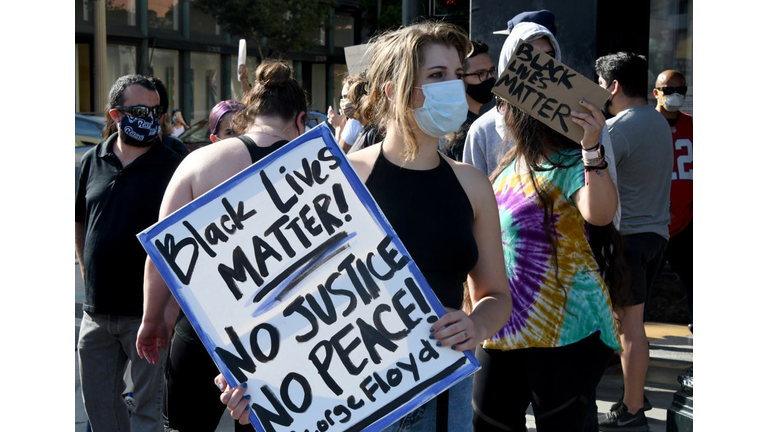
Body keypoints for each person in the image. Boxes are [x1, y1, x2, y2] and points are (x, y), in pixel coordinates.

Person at [216, 21, 512, 432]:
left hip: (443, 393)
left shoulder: (474, 185)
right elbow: (274, 294)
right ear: (395, 90)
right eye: (437, 75)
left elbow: (496, 295)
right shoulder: (339, 175)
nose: (455, 86)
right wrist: (248, 374)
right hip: (346, 399)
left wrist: (476, 324)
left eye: (457, 74)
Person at [135, 61, 310, 432]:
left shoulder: (198, 162)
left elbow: (162, 255)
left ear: (250, 115)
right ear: (300, 120)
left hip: (201, 330)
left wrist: (154, 319)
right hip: (284, 338)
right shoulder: (313, 169)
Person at [471, 40, 628, 432]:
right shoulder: (508, 166)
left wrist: (592, 148)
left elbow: (601, 212)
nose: (498, 111)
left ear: (526, 113)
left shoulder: (573, 161)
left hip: (566, 333)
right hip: (502, 330)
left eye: (504, 103)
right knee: (487, 423)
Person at [76, 74, 184, 432]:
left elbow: (191, 237)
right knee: (101, 411)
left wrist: (169, 310)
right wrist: (86, 276)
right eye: (140, 110)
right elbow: (79, 222)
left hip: (147, 318)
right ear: (116, 114)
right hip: (97, 315)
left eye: (157, 111)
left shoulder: (175, 160)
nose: (151, 118)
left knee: (146, 415)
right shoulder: (93, 160)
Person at [595, 52, 673, 431]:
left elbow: (594, 175)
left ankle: (631, 407)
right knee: (630, 324)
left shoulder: (618, 127)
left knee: (629, 326)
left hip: (628, 239)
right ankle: (634, 395)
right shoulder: (659, 122)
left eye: (598, 83)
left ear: (613, 86)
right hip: (657, 234)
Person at [462, 10, 561, 176]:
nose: (541, 65)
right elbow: (471, 196)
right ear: (509, 60)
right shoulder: (483, 129)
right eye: (529, 55)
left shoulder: (579, 120)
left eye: (549, 56)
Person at [651, 69, 693, 330]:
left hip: (686, 222)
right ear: (656, 92)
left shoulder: (695, 126)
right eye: (669, 90)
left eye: (681, 90)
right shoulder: (644, 124)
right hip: (652, 223)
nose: (675, 95)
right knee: (638, 291)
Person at [443, 40, 496, 162]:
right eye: (480, 73)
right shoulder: (462, 129)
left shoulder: (463, 121)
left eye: (491, 71)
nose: (490, 78)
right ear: (460, 79)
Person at [149, 77, 190, 156]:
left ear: (164, 116)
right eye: (139, 111)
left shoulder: (177, 150)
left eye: (155, 111)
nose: (148, 117)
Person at [333, 74, 365, 152]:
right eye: (342, 97)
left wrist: (338, 127)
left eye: (345, 97)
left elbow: (339, 157)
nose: (342, 101)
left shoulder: (354, 121)